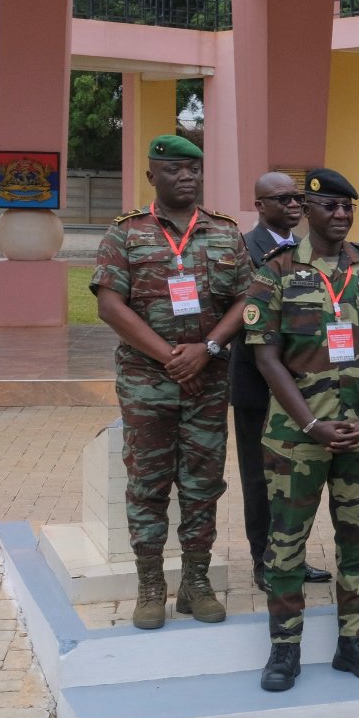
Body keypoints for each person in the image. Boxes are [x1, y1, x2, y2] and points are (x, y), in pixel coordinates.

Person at [244, 168, 359, 691]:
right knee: (286, 545)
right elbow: (266, 357)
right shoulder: (277, 271)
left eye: (346, 208)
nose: (338, 216)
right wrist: (311, 422)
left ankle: (353, 642)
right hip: (295, 440)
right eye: (328, 207)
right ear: (307, 211)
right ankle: (284, 648)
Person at [92, 134, 251, 630]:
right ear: (151, 177)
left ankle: (196, 583)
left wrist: (208, 349)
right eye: (176, 169)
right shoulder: (126, 234)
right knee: (148, 484)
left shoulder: (226, 233)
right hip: (147, 384)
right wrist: (168, 356)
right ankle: (150, 584)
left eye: (195, 169)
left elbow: (250, 300)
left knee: (203, 485)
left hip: (207, 383)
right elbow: (109, 305)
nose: (187, 177)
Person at [230, 172, 331, 594]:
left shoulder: (313, 251)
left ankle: (293, 556)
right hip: (258, 384)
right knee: (259, 478)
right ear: (260, 205)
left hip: (305, 386)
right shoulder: (245, 249)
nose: (293, 205)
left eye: (298, 199)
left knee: (296, 477)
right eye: (283, 199)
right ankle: (263, 561)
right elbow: (242, 314)